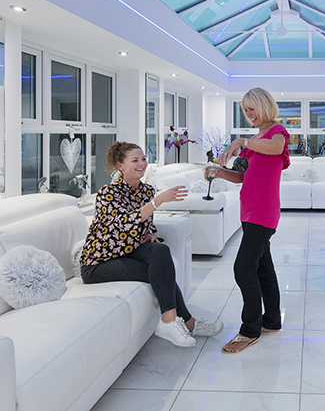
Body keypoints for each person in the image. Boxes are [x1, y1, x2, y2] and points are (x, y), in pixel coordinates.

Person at [80, 142, 223, 348]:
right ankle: (178, 321)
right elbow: (123, 223)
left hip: (127, 251)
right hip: (100, 262)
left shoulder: (146, 190)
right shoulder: (107, 193)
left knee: (160, 251)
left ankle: (173, 321)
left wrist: (147, 234)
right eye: (135, 160)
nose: (142, 164)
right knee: (157, 270)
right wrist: (158, 201)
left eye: (144, 159)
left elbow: (142, 223)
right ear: (120, 166)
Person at [206, 87, 290, 354]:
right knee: (263, 268)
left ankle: (250, 330)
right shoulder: (257, 137)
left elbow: (277, 148)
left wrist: (240, 142)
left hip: (263, 212)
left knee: (243, 269)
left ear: (264, 105)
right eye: (244, 110)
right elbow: (242, 177)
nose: (248, 114)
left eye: (251, 108)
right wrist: (218, 172)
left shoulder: (276, 132)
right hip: (249, 210)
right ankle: (272, 321)